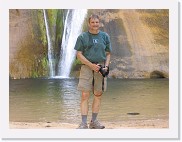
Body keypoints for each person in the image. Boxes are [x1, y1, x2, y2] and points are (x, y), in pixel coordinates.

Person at [74, 14, 112, 129]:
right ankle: (83, 123)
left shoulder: (105, 36)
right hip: (86, 67)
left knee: (98, 94)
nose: (95, 24)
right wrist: (90, 65)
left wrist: (105, 67)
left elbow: (108, 53)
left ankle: (94, 122)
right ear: (89, 23)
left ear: (99, 23)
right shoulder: (83, 37)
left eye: (97, 22)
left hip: (100, 68)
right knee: (85, 95)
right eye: (93, 22)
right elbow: (79, 54)